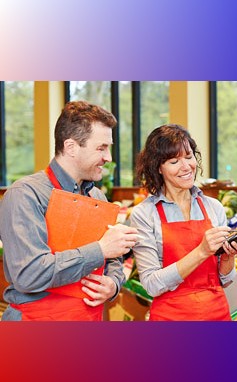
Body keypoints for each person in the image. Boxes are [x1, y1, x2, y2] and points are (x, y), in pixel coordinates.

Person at [0, 101, 139, 321]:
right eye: (101, 148)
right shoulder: (25, 194)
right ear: (71, 147)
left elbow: (113, 259)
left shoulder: (98, 197)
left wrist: (113, 284)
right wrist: (100, 249)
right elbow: (29, 274)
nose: (109, 157)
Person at [130, 124, 237, 321]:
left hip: (217, 314)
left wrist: (227, 257)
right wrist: (201, 251)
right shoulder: (144, 214)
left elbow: (225, 279)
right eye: (174, 161)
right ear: (158, 167)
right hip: (171, 318)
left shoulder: (213, 207)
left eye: (189, 157)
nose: (186, 167)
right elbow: (151, 284)